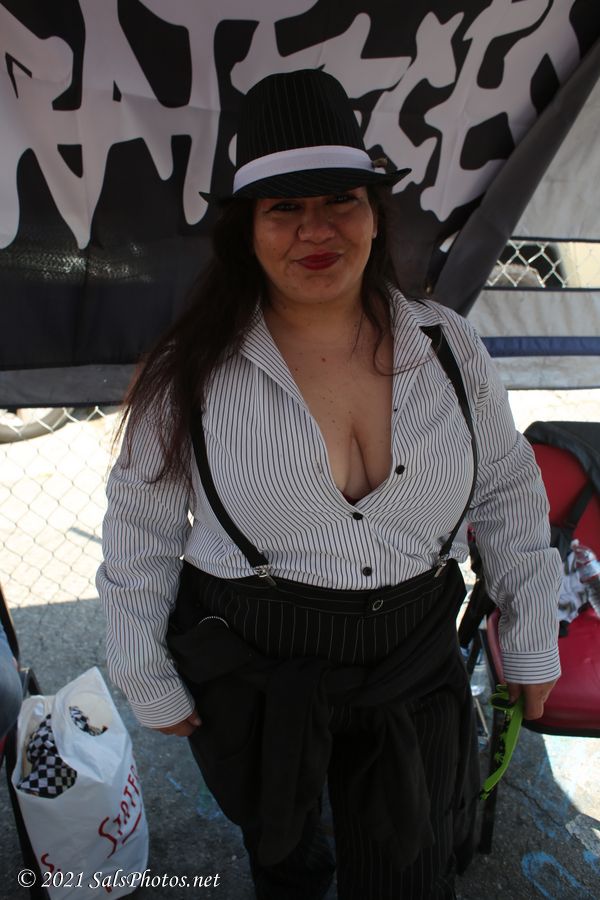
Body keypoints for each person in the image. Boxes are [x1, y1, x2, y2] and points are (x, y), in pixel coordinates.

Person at [97, 69, 561, 900]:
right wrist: (142, 665)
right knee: (288, 865)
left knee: (411, 866)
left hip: (413, 659)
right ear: (247, 231)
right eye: (284, 207)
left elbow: (508, 493)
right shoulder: (190, 369)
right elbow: (142, 526)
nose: (316, 229)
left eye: (340, 199)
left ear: (375, 214)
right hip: (260, 668)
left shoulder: (448, 346)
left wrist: (532, 631)